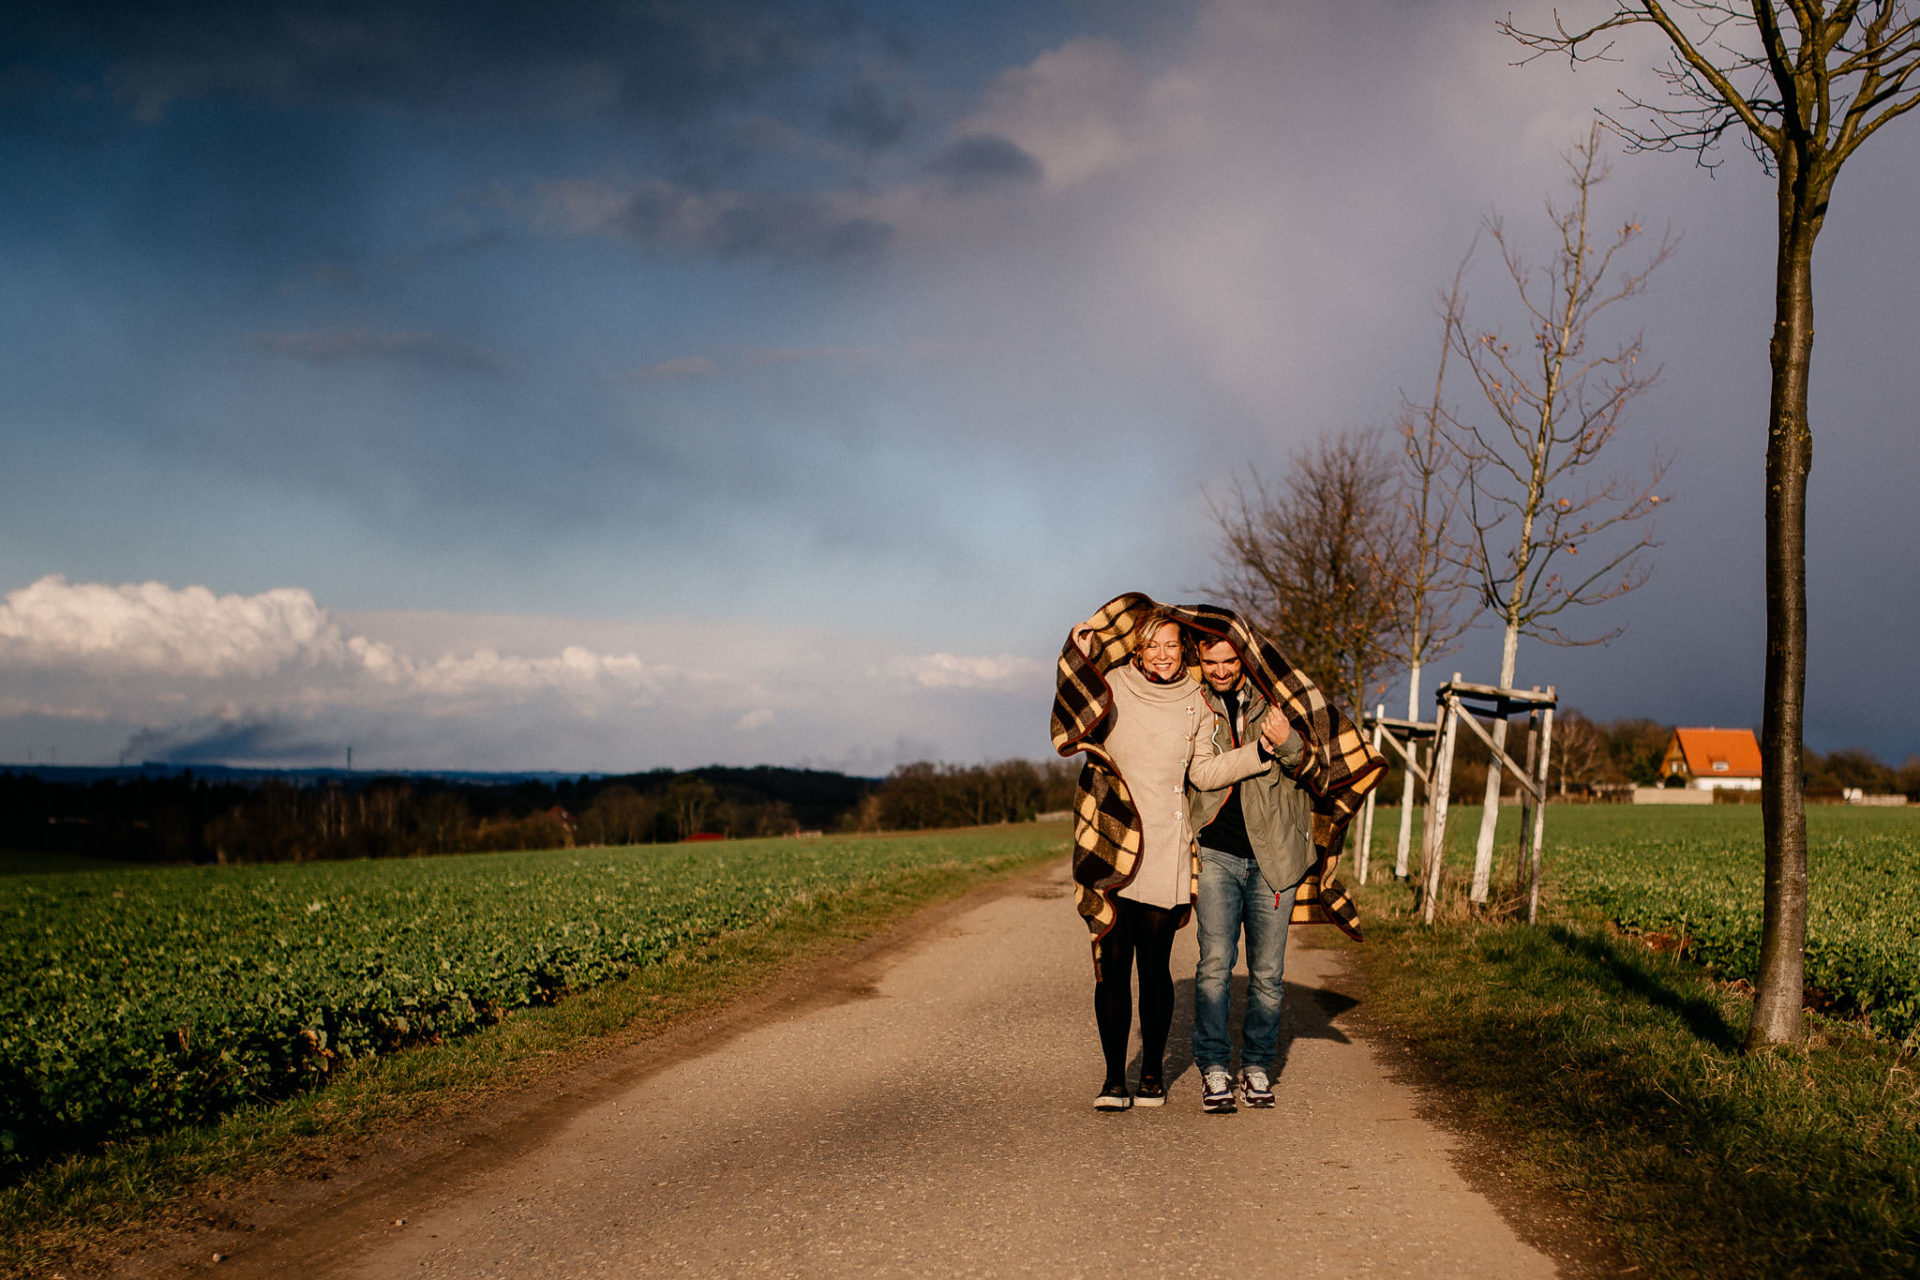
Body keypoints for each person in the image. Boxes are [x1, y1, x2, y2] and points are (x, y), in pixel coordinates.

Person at [1063, 605, 1291, 1111]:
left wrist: (1262, 752)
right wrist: (1077, 654)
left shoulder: (1195, 698)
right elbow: (1071, 710)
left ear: (1181, 650)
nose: (1163, 655)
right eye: (1152, 645)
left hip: (1167, 844)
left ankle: (1151, 1076)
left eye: (1171, 645)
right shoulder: (1112, 684)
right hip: (1112, 839)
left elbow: (1205, 773)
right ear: (1137, 648)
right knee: (1112, 963)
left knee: (1156, 966)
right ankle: (1112, 1080)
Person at [1188, 634, 1313, 1114]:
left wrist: (1288, 742)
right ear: (1200, 661)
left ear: (1244, 658)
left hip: (1273, 857)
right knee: (1214, 967)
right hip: (1218, 853)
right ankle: (1215, 1068)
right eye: (1211, 661)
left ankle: (1257, 1065)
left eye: (1229, 659)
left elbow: (1308, 763)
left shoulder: (1279, 701)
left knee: (1267, 974)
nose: (1221, 669)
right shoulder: (1194, 704)